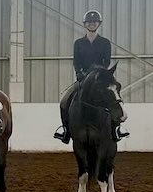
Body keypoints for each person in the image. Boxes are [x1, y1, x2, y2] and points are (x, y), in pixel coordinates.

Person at [54, 10, 127, 144]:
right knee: (64, 101)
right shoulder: (79, 43)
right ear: (85, 24)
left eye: (94, 22)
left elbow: (106, 62)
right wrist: (79, 74)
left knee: (112, 99)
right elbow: (76, 62)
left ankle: (116, 129)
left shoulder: (105, 42)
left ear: (98, 24)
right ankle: (66, 131)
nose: (92, 24)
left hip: (100, 79)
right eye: (89, 22)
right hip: (83, 79)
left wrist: (101, 75)